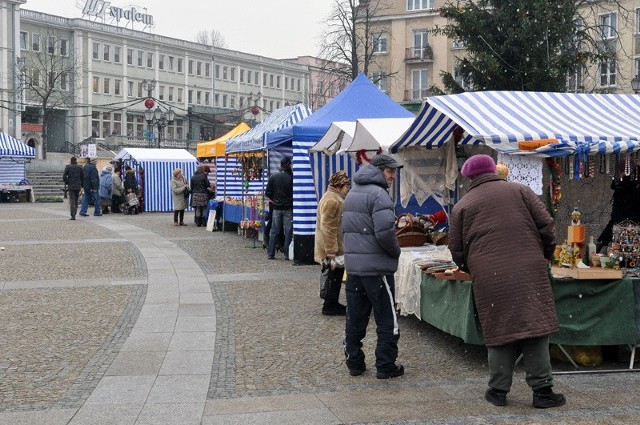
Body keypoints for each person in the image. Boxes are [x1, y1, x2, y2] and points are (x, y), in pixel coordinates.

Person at [448, 154, 566, 409]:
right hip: (529, 269)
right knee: (533, 327)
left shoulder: (463, 206)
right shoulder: (521, 191)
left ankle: (498, 390)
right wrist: (544, 253)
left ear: (469, 177)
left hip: (489, 274)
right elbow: (547, 225)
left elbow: (455, 248)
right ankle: (543, 391)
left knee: (500, 330)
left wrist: (470, 267)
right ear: (493, 170)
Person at [342, 154, 404, 379]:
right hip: (377, 269)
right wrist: (396, 252)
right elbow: (386, 233)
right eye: (390, 171)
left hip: (356, 268)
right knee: (387, 319)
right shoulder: (379, 195)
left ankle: (355, 363)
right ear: (379, 170)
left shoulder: (352, 193)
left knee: (355, 318)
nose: (393, 176)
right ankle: (385, 365)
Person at [315, 171, 350, 316]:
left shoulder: (332, 198)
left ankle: (332, 303)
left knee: (334, 275)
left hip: (333, 244)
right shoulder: (332, 201)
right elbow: (328, 227)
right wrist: (331, 250)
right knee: (333, 276)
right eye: (346, 185)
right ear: (339, 186)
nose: (348, 189)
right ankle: (330, 305)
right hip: (331, 246)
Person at [266, 156, 293, 260]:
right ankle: (287, 253)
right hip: (288, 208)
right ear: (288, 165)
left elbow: (268, 193)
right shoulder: (291, 178)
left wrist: (275, 200)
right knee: (288, 231)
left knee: (274, 231)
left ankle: (271, 253)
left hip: (276, 208)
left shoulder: (274, 177)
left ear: (281, 166)